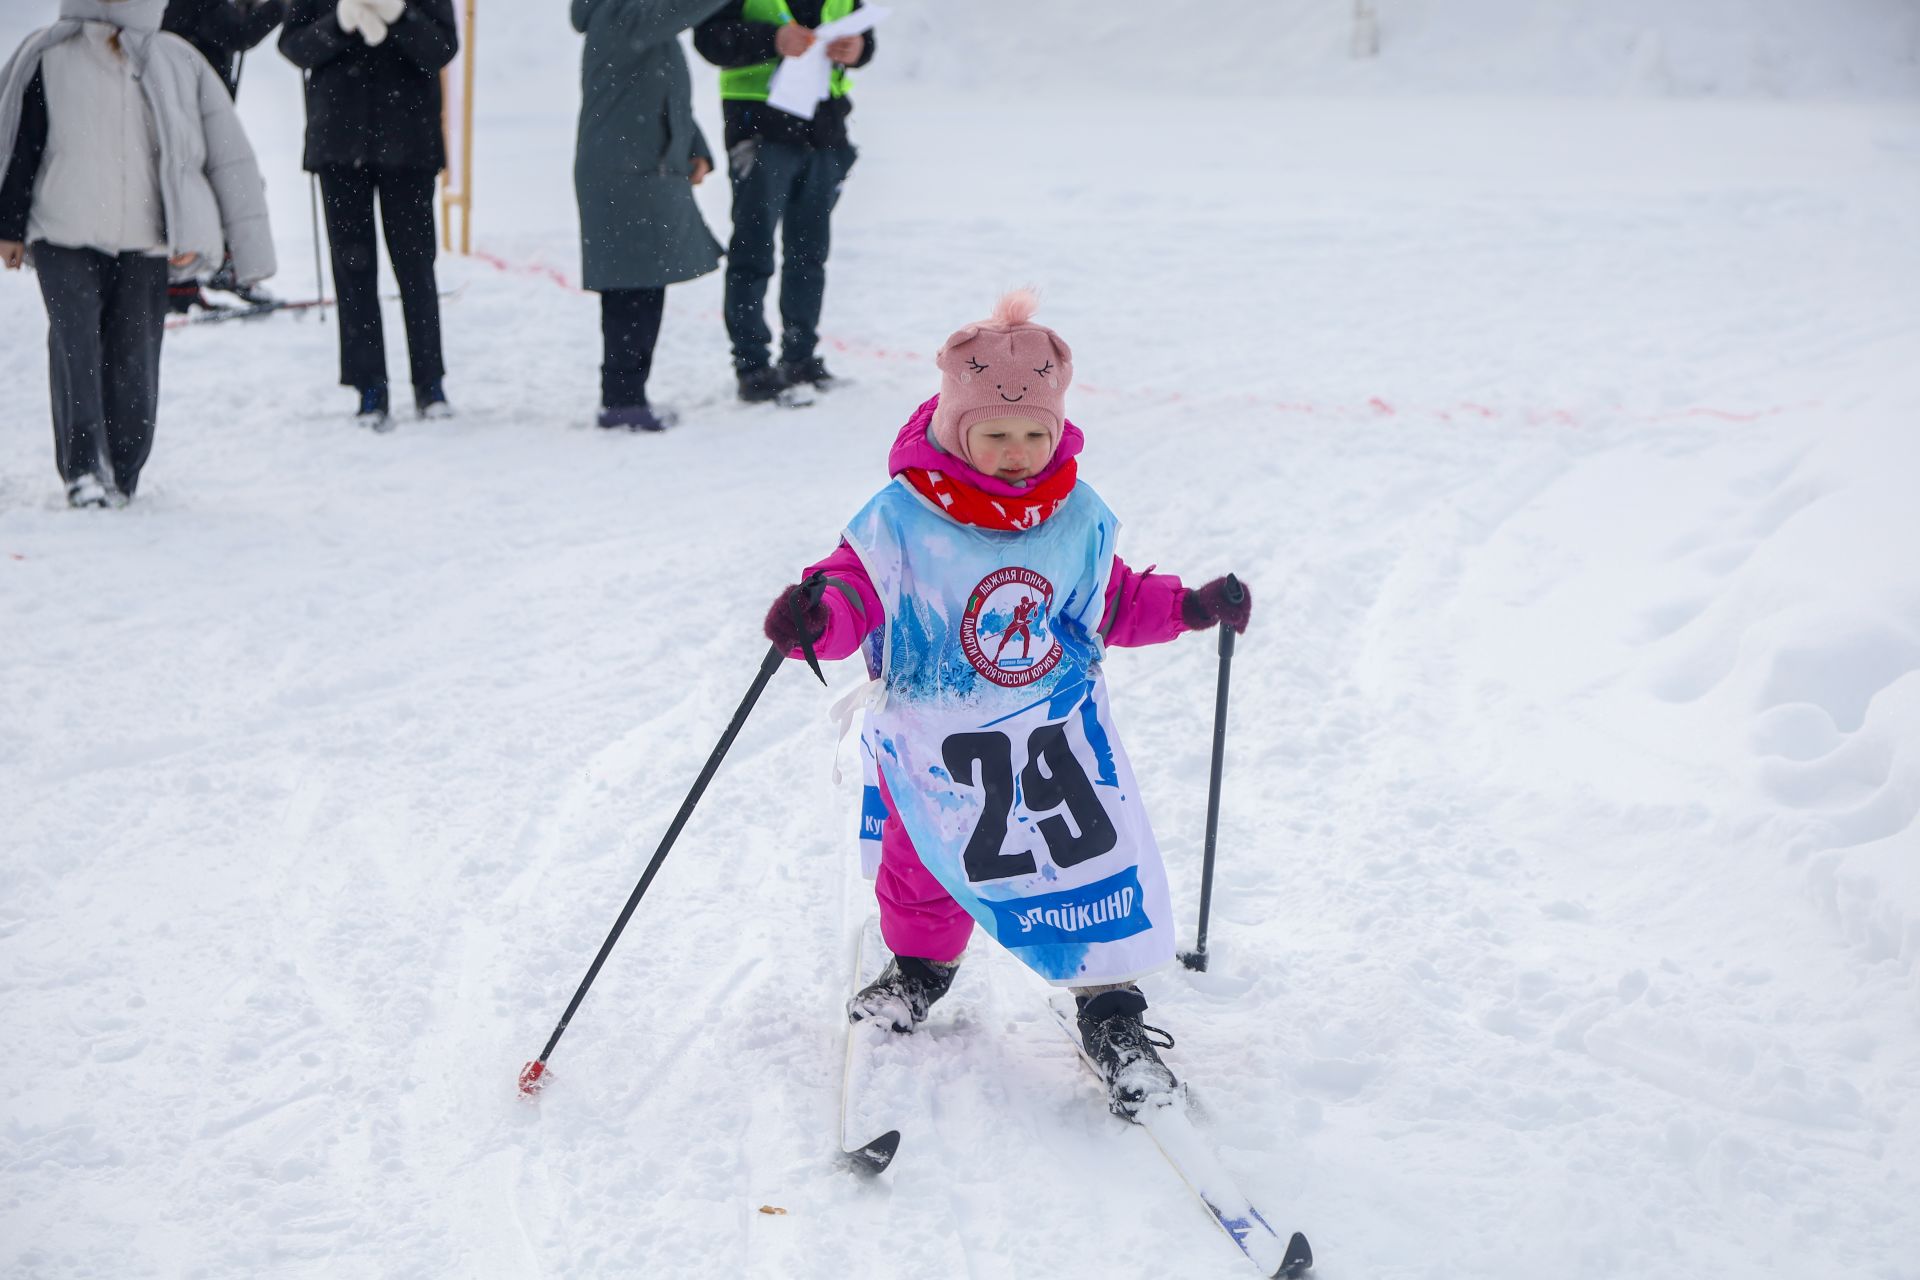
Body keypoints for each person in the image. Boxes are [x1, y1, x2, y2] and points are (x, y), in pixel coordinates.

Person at [761, 291, 1254, 1118]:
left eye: (1036, 434)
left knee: (1089, 869)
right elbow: (857, 588)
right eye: (996, 435)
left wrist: (1191, 607)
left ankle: (1112, 1014)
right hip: (937, 744)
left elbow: (1112, 598)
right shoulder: (902, 521)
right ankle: (920, 970)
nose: (1019, 453)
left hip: (1052, 742)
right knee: (924, 873)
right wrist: (822, 616)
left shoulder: (1076, 517)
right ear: (958, 431)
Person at [0, 0, 275, 508]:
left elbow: (209, 154)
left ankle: (123, 468)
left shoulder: (173, 59)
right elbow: (22, 142)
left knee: (134, 354)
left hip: (144, 237)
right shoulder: (48, 54)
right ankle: (83, 471)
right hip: (62, 228)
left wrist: (204, 233)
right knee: (74, 346)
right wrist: (9, 226)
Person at [279, 0, 456, 432]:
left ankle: (429, 382)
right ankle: (369, 385)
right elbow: (295, 47)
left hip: (409, 141)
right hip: (339, 142)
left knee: (415, 267)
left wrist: (400, 17)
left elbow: (442, 48)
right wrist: (338, 23)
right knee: (353, 270)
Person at [693, 1, 873, 405]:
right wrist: (772, 40)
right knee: (753, 253)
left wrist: (858, 49)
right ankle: (752, 366)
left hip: (825, 130)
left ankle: (800, 357)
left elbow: (864, 32)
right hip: (760, 129)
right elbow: (709, 38)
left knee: (809, 253)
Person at [571, 0, 726, 434]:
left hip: (646, 170)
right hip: (620, 174)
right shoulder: (618, 14)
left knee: (644, 285)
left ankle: (628, 396)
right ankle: (622, 400)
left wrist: (695, 147)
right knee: (629, 289)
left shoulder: (638, 17)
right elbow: (681, 11)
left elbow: (667, 92)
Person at [160, 0, 288, 312]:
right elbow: (240, 32)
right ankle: (187, 284)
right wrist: (280, 6)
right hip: (187, 104)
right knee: (219, 184)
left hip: (191, 102)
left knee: (217, 185)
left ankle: (204, 275)